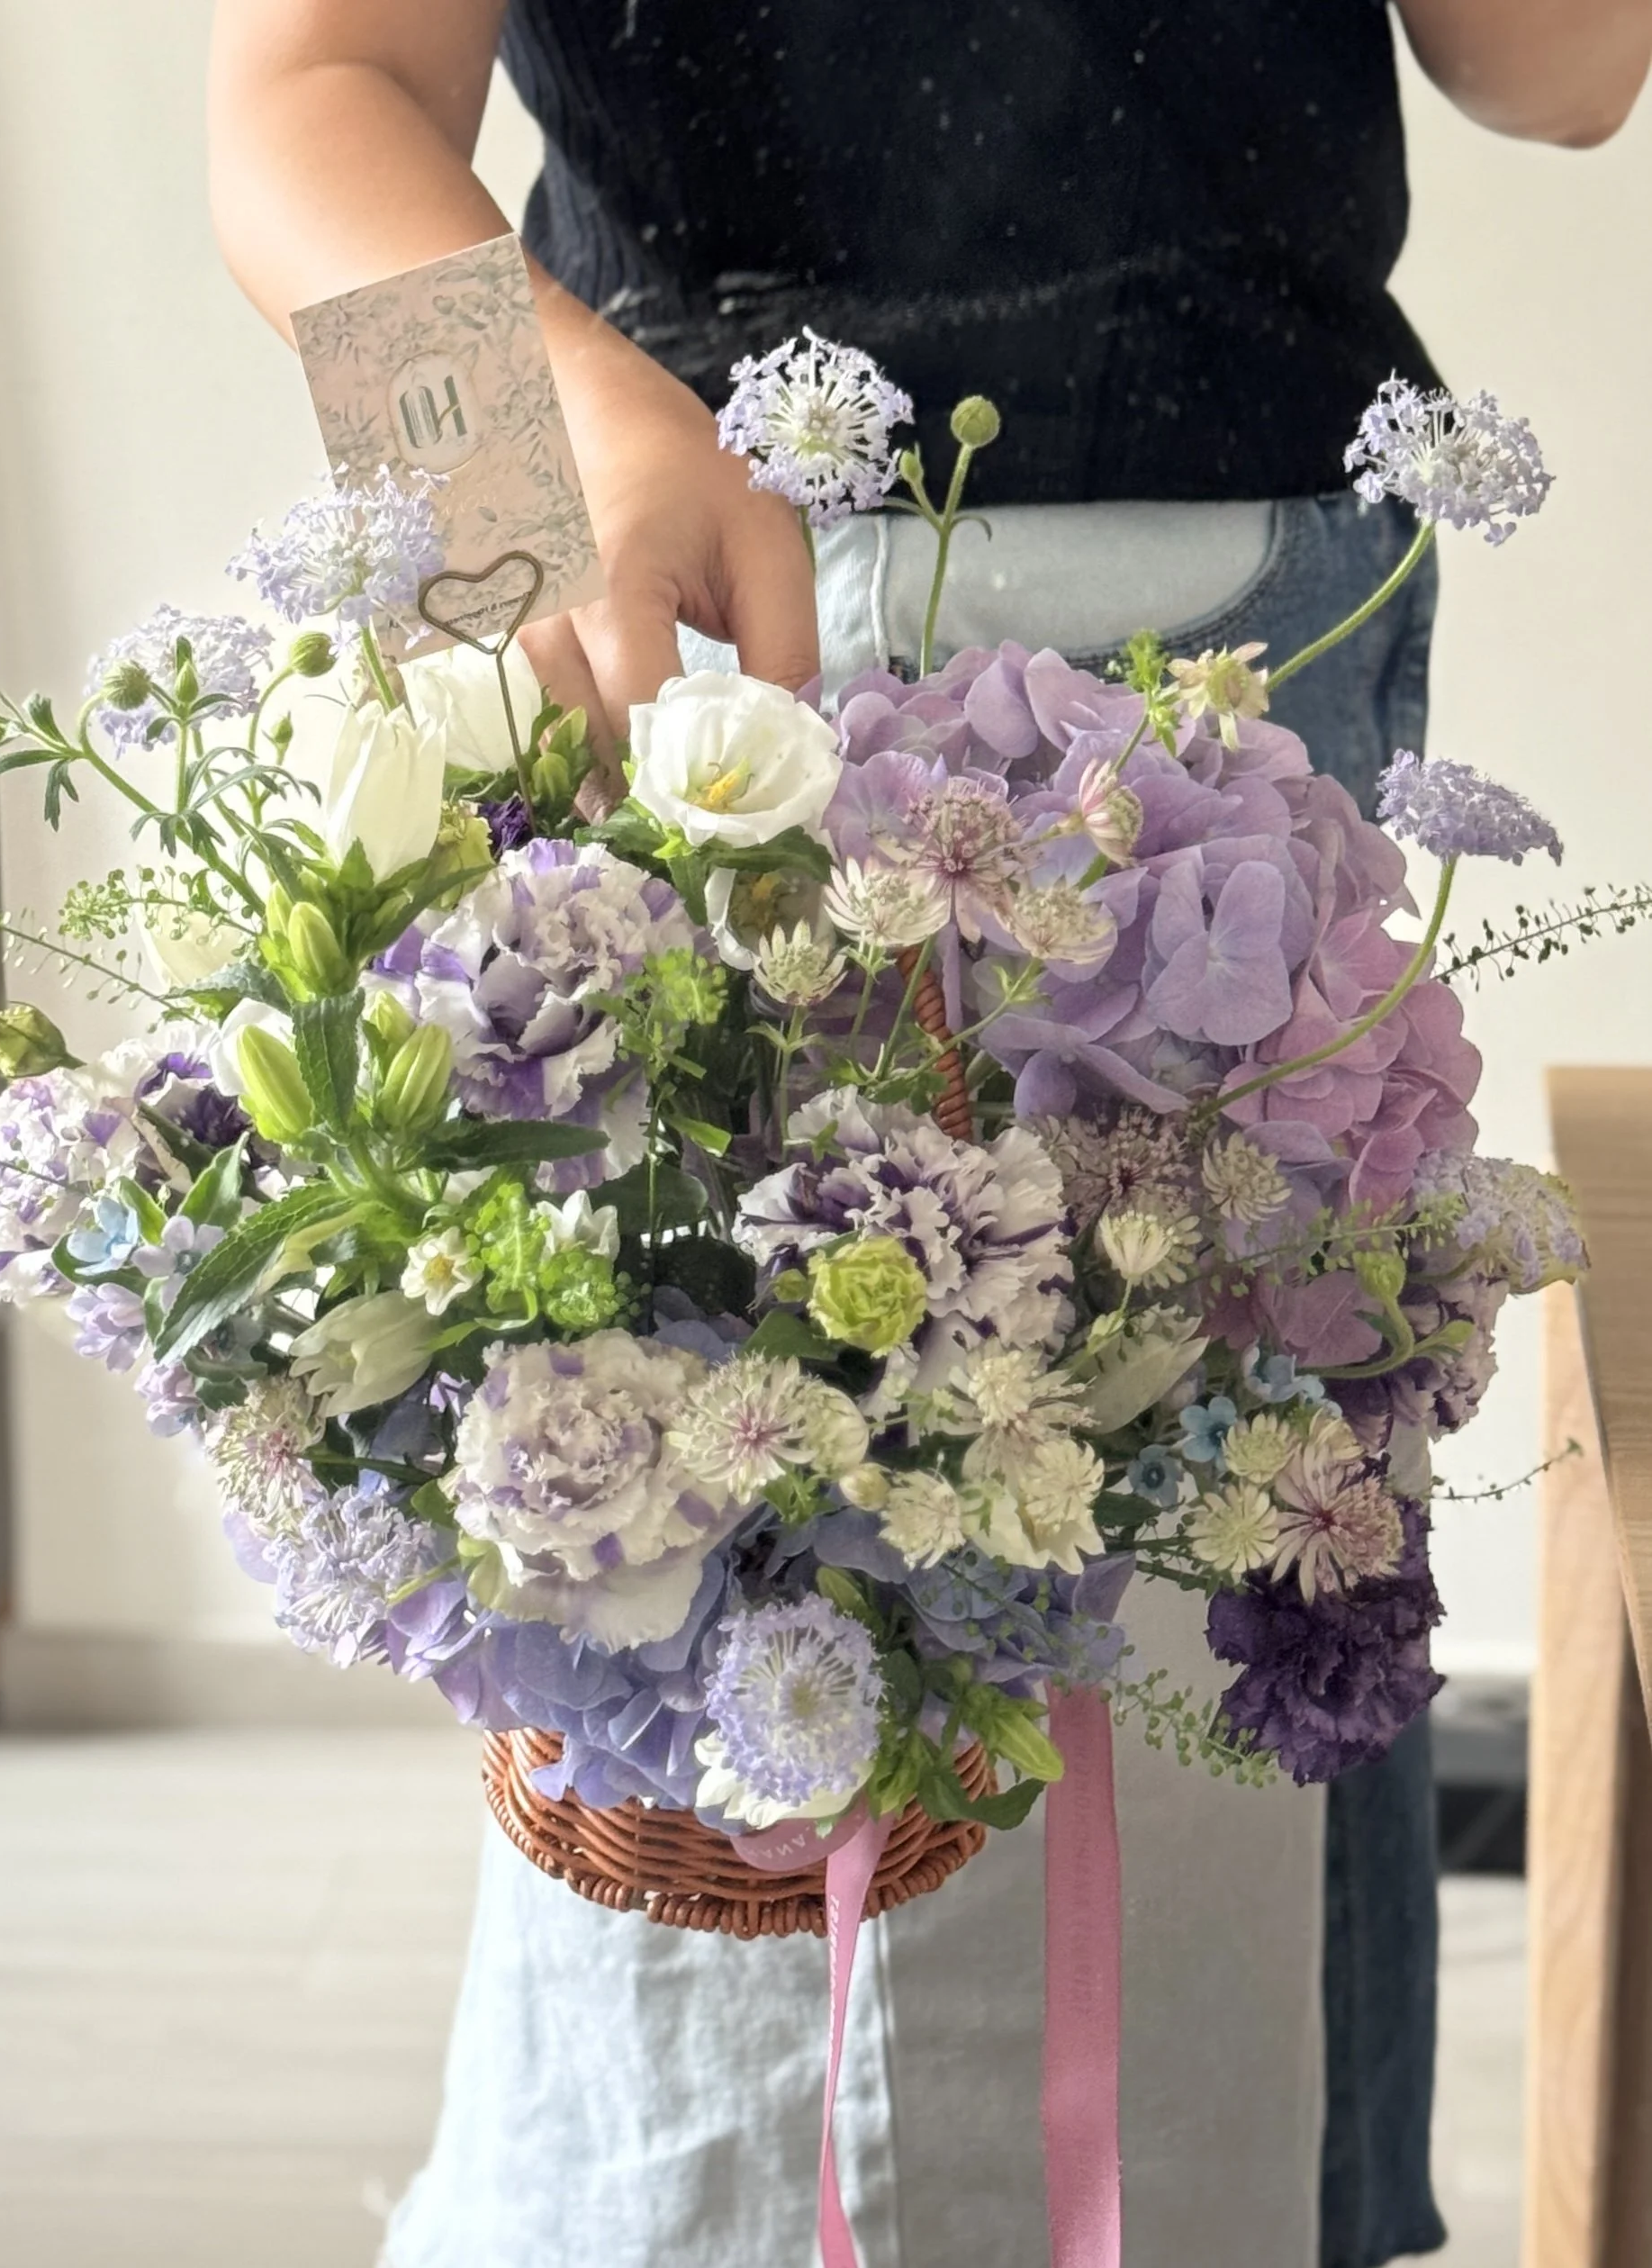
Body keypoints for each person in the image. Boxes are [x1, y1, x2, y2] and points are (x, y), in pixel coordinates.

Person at [208, 7, 1652, 2263]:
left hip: (1271, 632)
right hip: (721, 606)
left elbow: (1568, 71)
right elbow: (302, 103)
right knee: (728, 1695)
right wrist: (525, 467)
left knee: (1253, 1646)